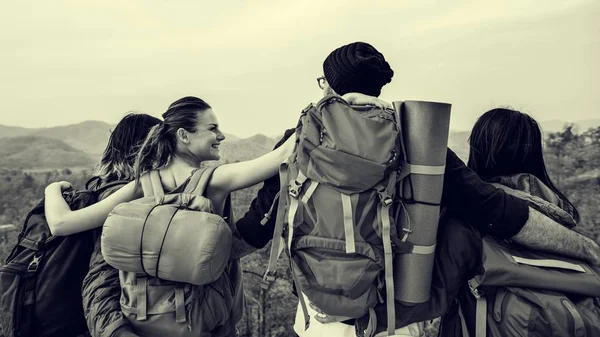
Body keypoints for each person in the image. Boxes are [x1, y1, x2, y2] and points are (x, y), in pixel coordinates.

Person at [229, 42, 600, 337]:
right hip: (392, 318)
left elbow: (256, 230)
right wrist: (584, 246)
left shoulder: (299, 143)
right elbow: (499, 210)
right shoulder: (418, 144)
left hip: (318, 317)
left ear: (327, 86)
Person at [44, 96, 297, 336]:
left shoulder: (139, 186)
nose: (220, 135)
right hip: (203, 325)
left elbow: (60, 223)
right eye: (212, 128)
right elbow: (283, 156)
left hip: (144, 321)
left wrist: (52, 189)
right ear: (184, 135)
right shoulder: (215, 181)